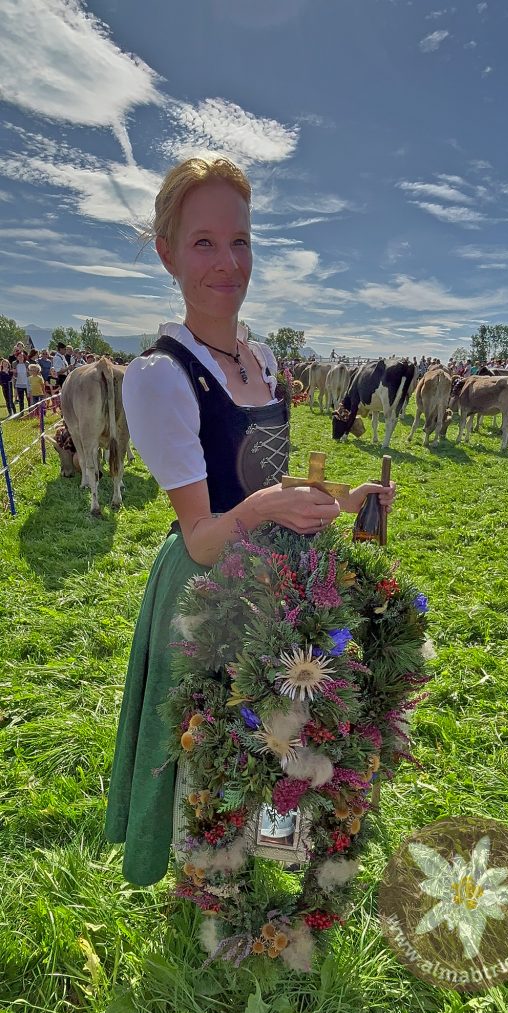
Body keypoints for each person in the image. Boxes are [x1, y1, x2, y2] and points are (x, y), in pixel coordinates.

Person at [104, 157, 396, 887]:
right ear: (167, 251)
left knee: (270, 732)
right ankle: (206, 888)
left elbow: (270, 484)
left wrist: (343, 501)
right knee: (210, 739)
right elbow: (202, 534)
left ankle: (258, 864)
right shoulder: (158, 376)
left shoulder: (261, 357)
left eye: (240, 241)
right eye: (202, 242)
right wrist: (266, 508)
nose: (226, 262)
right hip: (204, 583)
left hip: (273, 572)